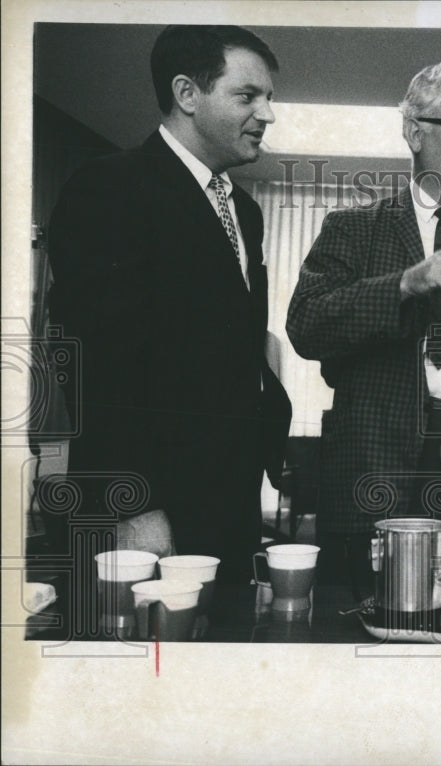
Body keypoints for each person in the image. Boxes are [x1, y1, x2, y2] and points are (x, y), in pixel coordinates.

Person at [47, 25, 291, 609]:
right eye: (247, 95)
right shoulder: (111, 187)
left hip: (226, 499)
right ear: (187, 93)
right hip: (148, 505)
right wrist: (135, 502)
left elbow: (232, 345)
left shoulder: (246, 212)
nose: (267, 114)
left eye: (269, 98)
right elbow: (92, 363)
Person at [286, 60, 441, 590]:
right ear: (414, 131)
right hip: (383, 462)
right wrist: (404, 284)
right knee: (373, 625)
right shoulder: (355, 229)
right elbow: (306, 325)